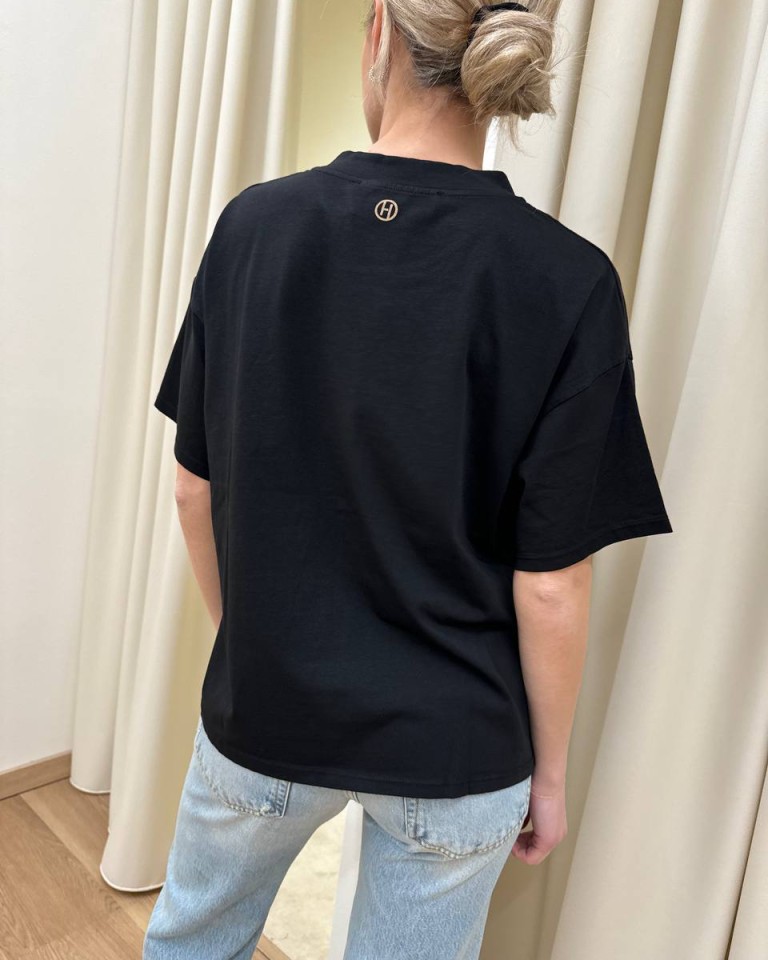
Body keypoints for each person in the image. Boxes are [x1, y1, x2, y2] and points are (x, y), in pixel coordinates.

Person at [144, 1, 673, 958]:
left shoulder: (255, 226)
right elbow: (552, 580)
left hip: (267, 706)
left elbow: (194, 488)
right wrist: (550, 777)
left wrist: (255, 646)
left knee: (192, 943)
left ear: (381, 31)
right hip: (458, 739)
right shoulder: (569, 279)